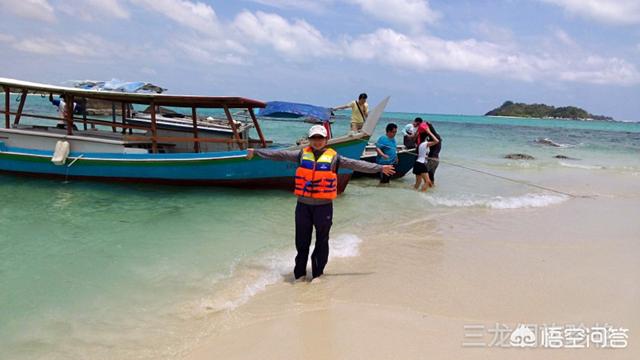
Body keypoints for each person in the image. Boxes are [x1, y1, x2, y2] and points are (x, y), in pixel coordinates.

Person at [246, 125, 395, 281]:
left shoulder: (335, 158)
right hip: (303, 207)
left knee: (322, 242)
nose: (317, 142)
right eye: (314, 138)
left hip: (323, 208)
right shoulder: (301, 155)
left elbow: (355, 164)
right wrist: (256, 152)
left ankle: (317, 274)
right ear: (309, 140)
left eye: (320, 138)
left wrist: (379, 168)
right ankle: (300, 275)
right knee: (302, 242)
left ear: (326, 140)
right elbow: (280, 155)